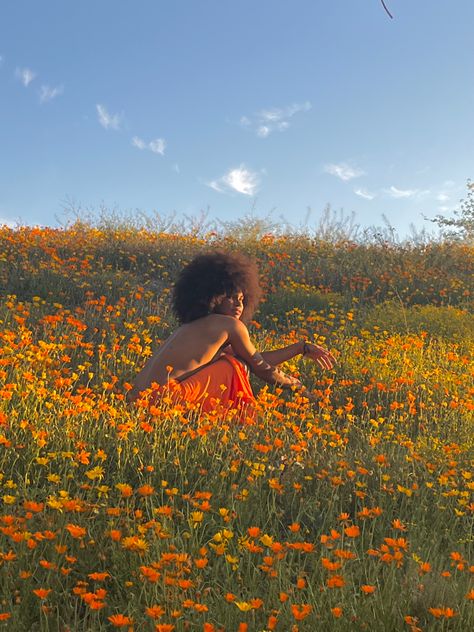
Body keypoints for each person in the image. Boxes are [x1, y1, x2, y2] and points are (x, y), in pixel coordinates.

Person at [128, 251, 335, 416]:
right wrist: (298, 388)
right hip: (162, 403)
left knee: (236, 359)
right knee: (238, 365)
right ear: (212, 296)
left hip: (135, 401)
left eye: (243, 299)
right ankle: (234, 421)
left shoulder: (193, 327)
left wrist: (301, 348)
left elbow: (257, 358)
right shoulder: (230, 326)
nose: (239, 305)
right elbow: (261, 368)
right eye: (231, 297)